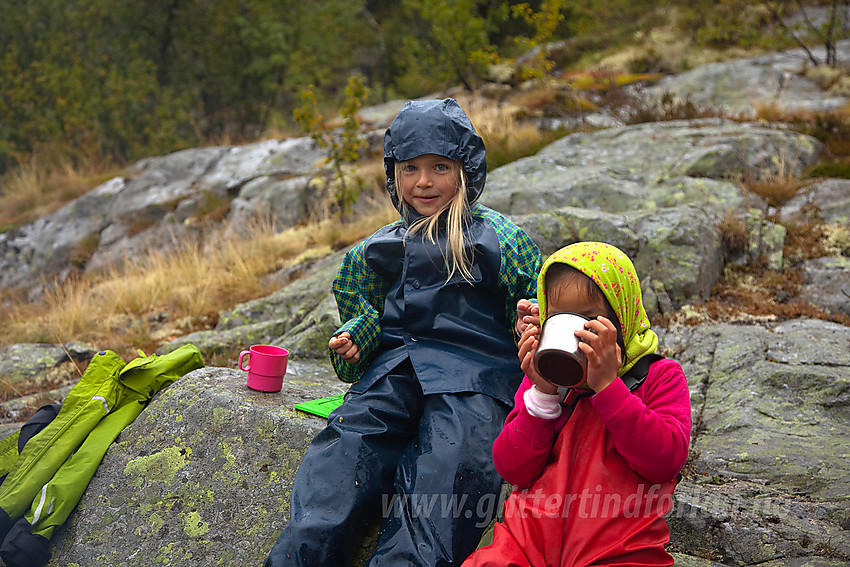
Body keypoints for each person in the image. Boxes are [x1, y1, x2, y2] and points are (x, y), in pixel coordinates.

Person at [264, 98, 542, 567]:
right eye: (410, 168)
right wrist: (358, 338)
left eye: (439, 166)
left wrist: (531, 321)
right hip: (397, 369)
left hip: (474, 379)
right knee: (343, 452)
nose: (424, 182)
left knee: (447, 472)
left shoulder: (498, 238)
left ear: (466, 169)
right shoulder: (379, 246)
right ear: (394, 175)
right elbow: (365, 305)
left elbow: (537, 297)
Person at [463, 241, 692, 567]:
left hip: (619, 551)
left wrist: (608, 387)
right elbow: (512, 468)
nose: (575, 330)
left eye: (589, 318)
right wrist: (542, 395)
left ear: (622, 317)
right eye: (558, 315)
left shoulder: (658, 376)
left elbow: (666, 461)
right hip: (526, 544)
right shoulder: (544, 382)